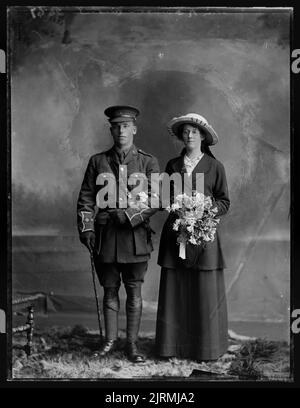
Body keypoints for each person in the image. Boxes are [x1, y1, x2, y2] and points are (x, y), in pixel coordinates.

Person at [77, 105, 160, 363]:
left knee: (134, 292)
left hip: (135, 239)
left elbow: (155, 199)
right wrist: (87, 229)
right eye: (116, 126)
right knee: (110, 290)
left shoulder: (148, 161)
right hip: (106, 239)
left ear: (134, 129)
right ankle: (109, 341)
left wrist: (128, 215)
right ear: (111, 129)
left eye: (126, 126)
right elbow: (86, 199)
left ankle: (132, 344)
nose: (121, 130)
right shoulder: (97, 161)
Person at [155, 113, 230, 361]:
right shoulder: (172, 165)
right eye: (185, 131)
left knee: (203, 290)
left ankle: (205, 349)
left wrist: (207, 209)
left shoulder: (215, 166)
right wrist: (178, 207)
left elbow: (224, 201)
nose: (189, 135)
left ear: (203, 136)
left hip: (204, 236)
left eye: (194, 132)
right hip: (176, 234)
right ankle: (172, 347)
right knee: (176, 288)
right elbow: (164, 198)